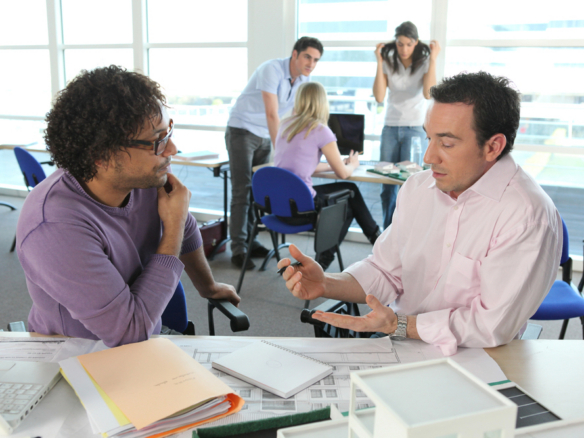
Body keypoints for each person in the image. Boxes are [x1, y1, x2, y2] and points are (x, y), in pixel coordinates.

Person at [278, 71, 562, 356]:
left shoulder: (527, 215)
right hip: (401, 339)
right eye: (428, 138)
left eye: (446, 143)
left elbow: (491, 325)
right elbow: (385, 270)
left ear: (493, 146)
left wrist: (400, 325)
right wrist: (326, 283)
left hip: (477, 356)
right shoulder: (418, 188)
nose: (428, 157)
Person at [15, 66, 240, 347]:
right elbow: (128, 332)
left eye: (168, 131)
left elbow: (185, 224)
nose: (171, 149)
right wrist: (173, 228)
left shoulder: (142, 178)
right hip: (80, 353)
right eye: (157, 141)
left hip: (143, 340)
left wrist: (209, 287)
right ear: (102, 155)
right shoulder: (54, 226)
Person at [226, 36, 323, 270]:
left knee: (256, 191)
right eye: (307, 57)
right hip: (242, 130)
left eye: (316, 60)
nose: (311, 64)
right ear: (295, 54)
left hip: (265, 135)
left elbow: (297, 116)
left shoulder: (304, 80)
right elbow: (272, 113)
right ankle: (238, 249)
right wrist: (282, 150)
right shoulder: (271, 69)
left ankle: (252, 242)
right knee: (242, 190)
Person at [274, 82, 381, 270]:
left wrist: (334, 164)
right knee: (350, 193)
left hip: (279, 206)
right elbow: (343, 174)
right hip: (302, 210)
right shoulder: (319, 130)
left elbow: (301, 166)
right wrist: (353, 164)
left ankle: (326, 259)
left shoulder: (285, 125)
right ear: (322, 102)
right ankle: (376, 242)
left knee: (348, 205)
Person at [373, 21, 441, 229]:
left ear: (416, 43)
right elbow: (379, 96)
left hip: (415, 128)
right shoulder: (389, 60)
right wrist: (379, 62)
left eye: (409, 44)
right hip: (390, 128)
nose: (404, 49)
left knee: (410, 184)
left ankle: (406, 232)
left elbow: (429, 93)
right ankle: (387, 232)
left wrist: (433, 59)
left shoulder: (424, 61)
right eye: (400, 44)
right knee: (387, 185)